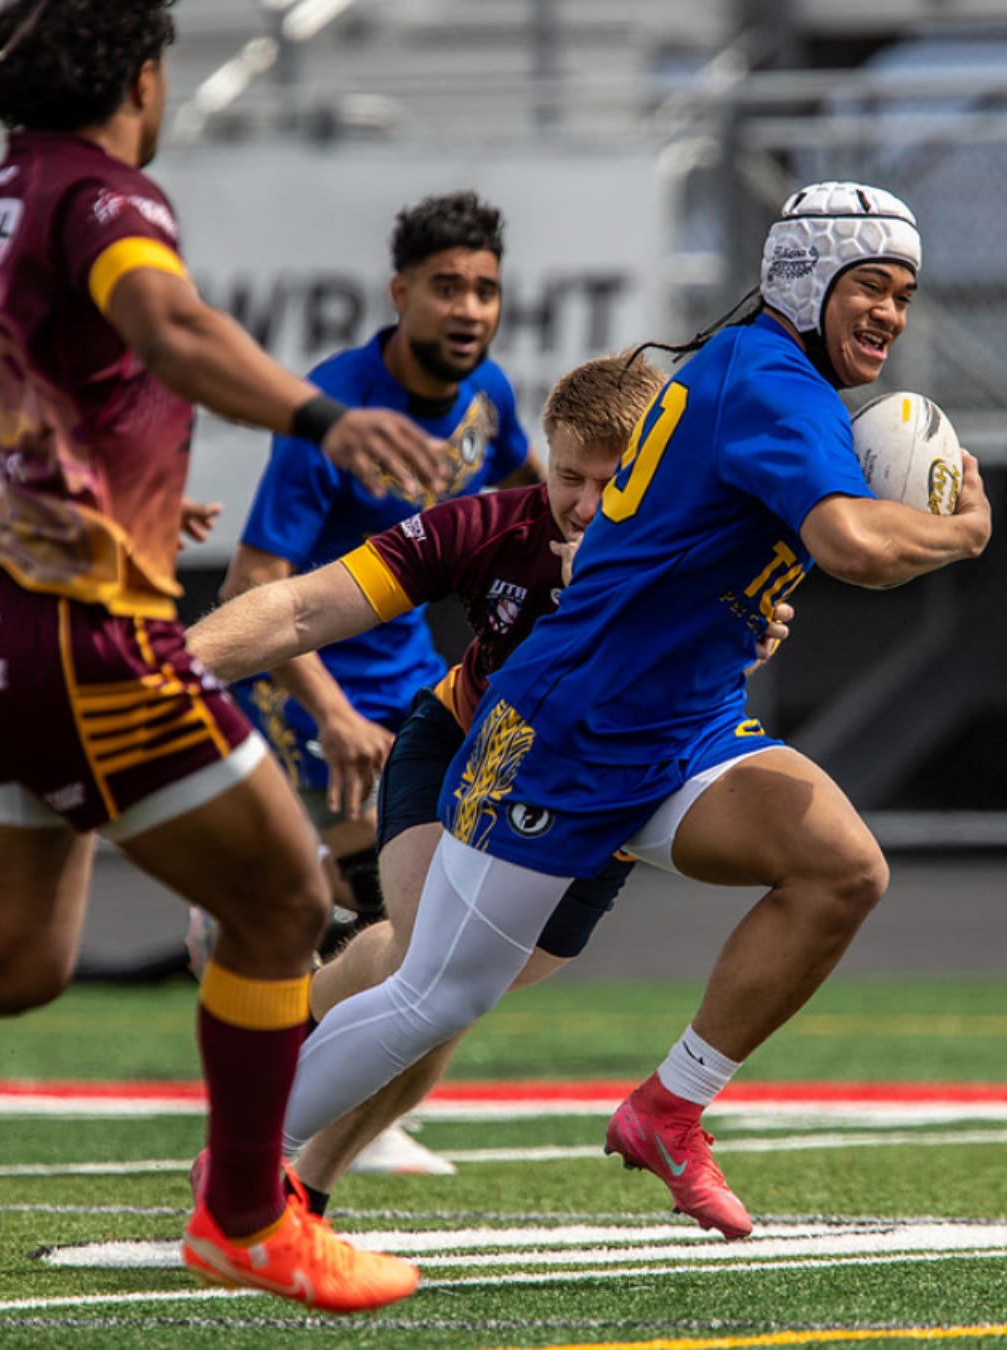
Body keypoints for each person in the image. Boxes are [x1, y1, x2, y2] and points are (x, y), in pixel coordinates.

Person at [264, 181, 991, 1240]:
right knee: (438, 995)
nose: (891, 312)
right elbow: (852, 547)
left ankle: (669, 1108)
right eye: (871, 285)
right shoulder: (772, 385)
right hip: (575, 728)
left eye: (905, 295)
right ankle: (244, 1168)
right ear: (805, 278)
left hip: (679, 727)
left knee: (842, 869)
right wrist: (963, 533)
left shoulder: (765, 378)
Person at [0, 0, 449, 1312]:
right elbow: (168, 327)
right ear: (141, 78)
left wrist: (143, 496)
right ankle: (245, 1216)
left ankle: (244, 1212)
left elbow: (63, 389)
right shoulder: (103, 194)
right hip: (83, 636)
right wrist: (325, 416)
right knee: (282, 899)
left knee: (10, 963)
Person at [186, 351, 792, 1212]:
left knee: (455, 991)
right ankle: (278, 1117)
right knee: (429, 971)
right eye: (568, 477)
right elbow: (300, 607)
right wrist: (155, 673)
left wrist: (740, 628)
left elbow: (758, 620)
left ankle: (304, 1177)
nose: (585, 505)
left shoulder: (713, 551)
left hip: (608, 795)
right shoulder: (490, 528)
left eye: (612, 482)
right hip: (466, 748)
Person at [219, 188, 541, 986]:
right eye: (446, 287)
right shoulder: (337, 412)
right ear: (401, 293)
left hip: (411, 681)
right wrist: (333, 714)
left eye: (485, 290)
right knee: (391, 909)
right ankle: (263, 925)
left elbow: (538, 494)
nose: (469, 309)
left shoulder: (488, 394)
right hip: (309, 694)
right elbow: (248, 583)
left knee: (439, 910)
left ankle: (262, 910)